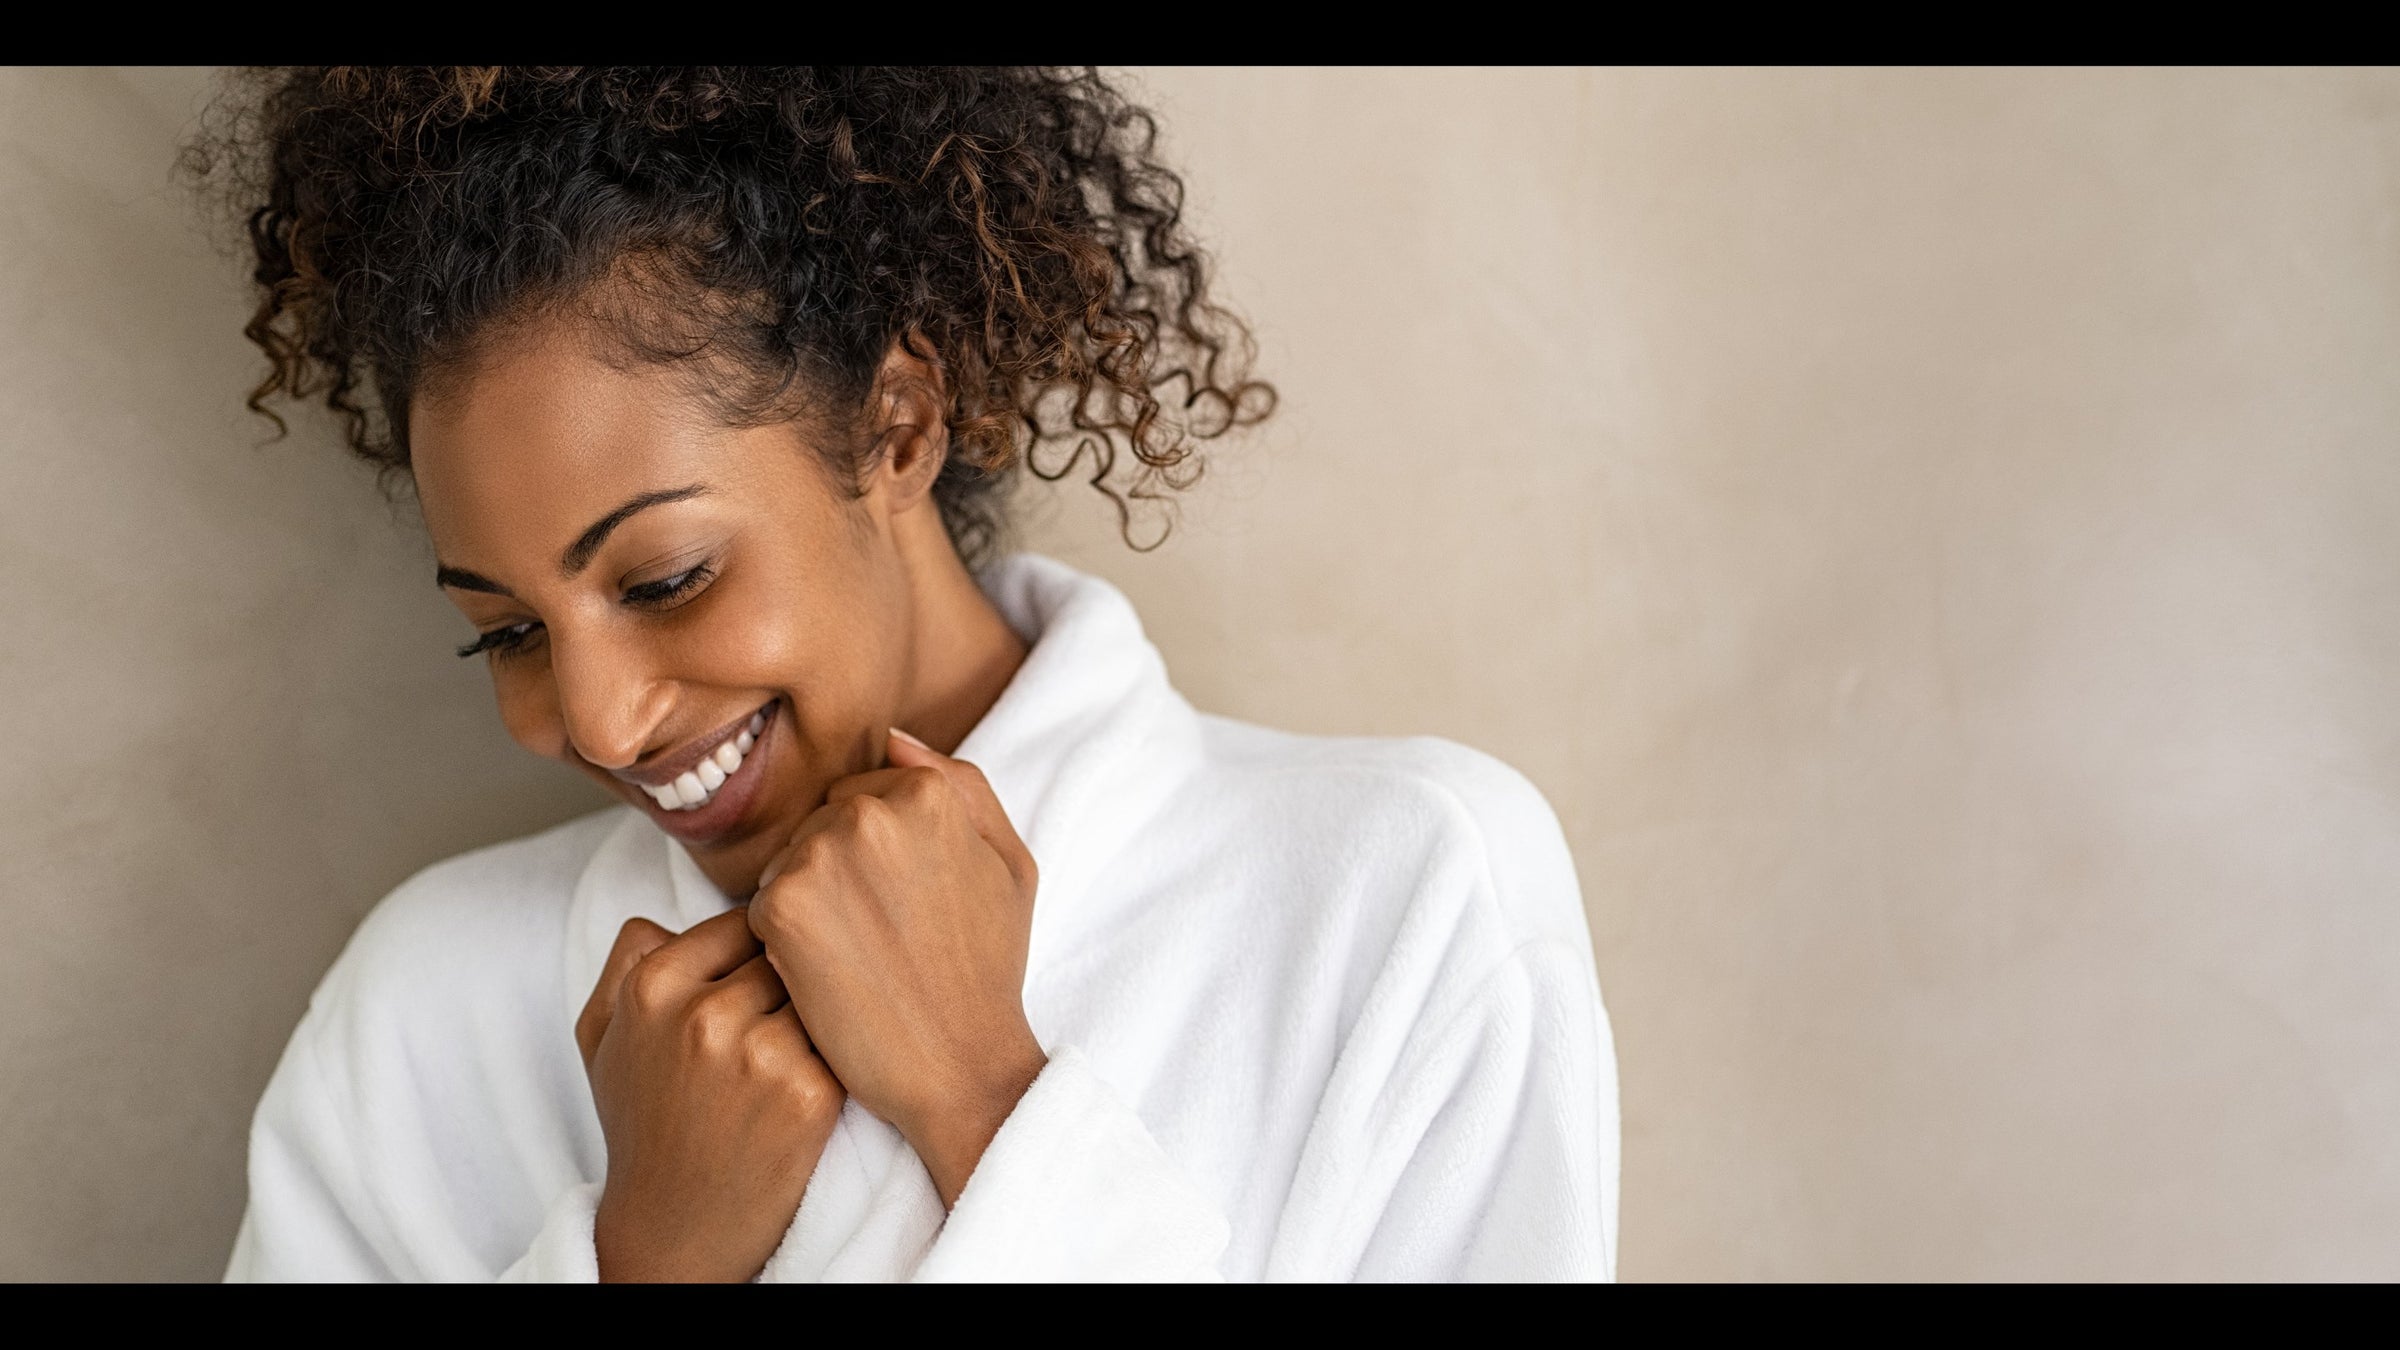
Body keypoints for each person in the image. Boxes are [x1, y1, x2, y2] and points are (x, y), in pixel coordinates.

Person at [192, 65, 1619, 1281]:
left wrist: (984, 1101)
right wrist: (647, 1257)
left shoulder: (1403, 897)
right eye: (507, 630)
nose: (599, 717)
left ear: (897, 426)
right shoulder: (422, 1013)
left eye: (665, 578)